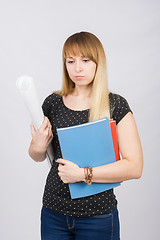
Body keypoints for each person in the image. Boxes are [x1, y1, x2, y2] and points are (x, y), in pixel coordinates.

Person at [28, 31, 143, 240]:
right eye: (70, 61)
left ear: (98, 63)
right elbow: (37, 155)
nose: (77, 68)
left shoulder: (115, 105)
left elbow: (135, 167)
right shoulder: (53, 103)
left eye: (85, 60)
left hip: (98, 216)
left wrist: (82, 175)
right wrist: (38, 145)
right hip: (54, 213)